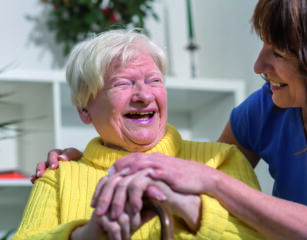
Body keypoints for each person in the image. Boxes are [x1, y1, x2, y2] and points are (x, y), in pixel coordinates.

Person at [37, 0, 307, 239]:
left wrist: (212, 180)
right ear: (83, 108)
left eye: (278, 52)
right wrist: (92, 158)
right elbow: (205, 183)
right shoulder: (263, 110)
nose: (258, 64)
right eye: (122, 83)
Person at [13, 29, 264, 240]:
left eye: (154, 81)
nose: (144, 96)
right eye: (123, 83)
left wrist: (192, 210)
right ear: (84, 110)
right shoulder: (59, 177)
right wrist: (87, 234)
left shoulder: (222, 160)